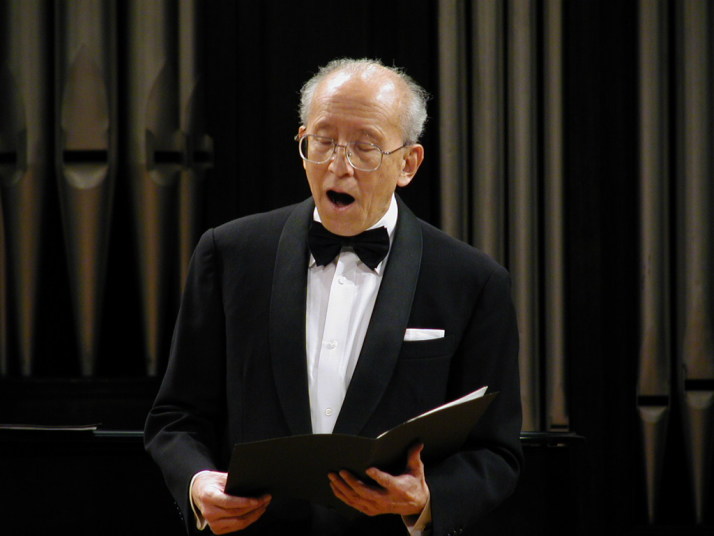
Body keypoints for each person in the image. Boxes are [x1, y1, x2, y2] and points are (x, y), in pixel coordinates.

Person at [145, 58, 522, 536]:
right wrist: (197, 483)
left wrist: (428, 499)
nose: (339, 167)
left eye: (365, 148)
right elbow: (177, 416)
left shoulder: (472, 281)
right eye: (322, 142)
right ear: (303, 144)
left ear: (408, 164)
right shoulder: (229, 254)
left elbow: (496, 450)